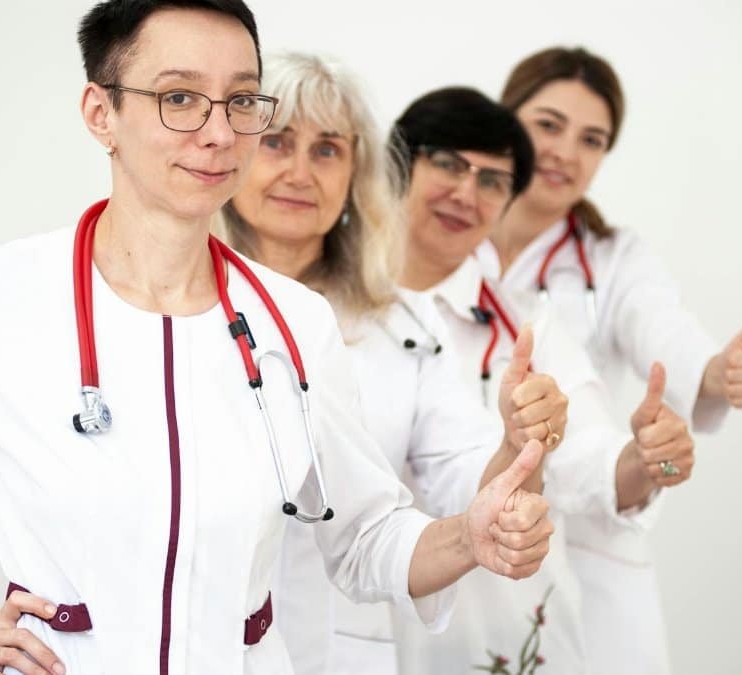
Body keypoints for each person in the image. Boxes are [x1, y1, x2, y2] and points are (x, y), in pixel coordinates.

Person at [0, 4, 555, 674]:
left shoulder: (295, 322)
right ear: (100, 113)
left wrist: (468, 534)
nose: (219, 134)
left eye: (241, 101)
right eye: (179, 98)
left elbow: (363, 541)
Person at [215, 53, 565, 675]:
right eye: (276, 142)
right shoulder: (166, 303)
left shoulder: (404, 326)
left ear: (356, 174)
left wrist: (517, 442)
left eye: (327, 150)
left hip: (337, 648)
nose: (300, 171)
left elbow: (471, 487)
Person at [484, 47, 742, 674]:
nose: (567, 151)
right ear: (505, 120)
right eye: (549, 124)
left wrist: (717, 370)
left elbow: (660, 323)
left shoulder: (613, 259)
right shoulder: (445, 239)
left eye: (593, 139)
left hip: (591, 530)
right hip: (475, 526)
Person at [392, 87, 695, 675]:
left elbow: (592, 458)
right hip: (350, 621)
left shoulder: (529, 326)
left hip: (494, 628)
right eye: (450, 164)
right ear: (398, 163)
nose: (466, 193)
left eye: (493, 180)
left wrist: (645, 459)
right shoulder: (318, 308)